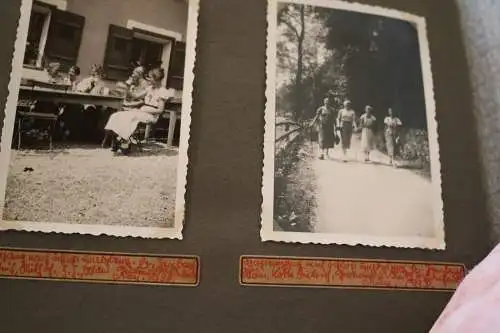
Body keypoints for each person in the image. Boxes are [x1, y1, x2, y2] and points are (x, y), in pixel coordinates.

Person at [104, 67, 174, 154]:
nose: (148, 79)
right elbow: (136, 96)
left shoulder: (162, 91)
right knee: (117, 115)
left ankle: (124, 141)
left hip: (151, 114)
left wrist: (145, 110)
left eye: (150, 77)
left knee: (129, 117)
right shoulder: (149, 88)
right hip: (142, 111)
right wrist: (126, 89)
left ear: (156, 79)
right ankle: (118, 137)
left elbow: (160, 110)